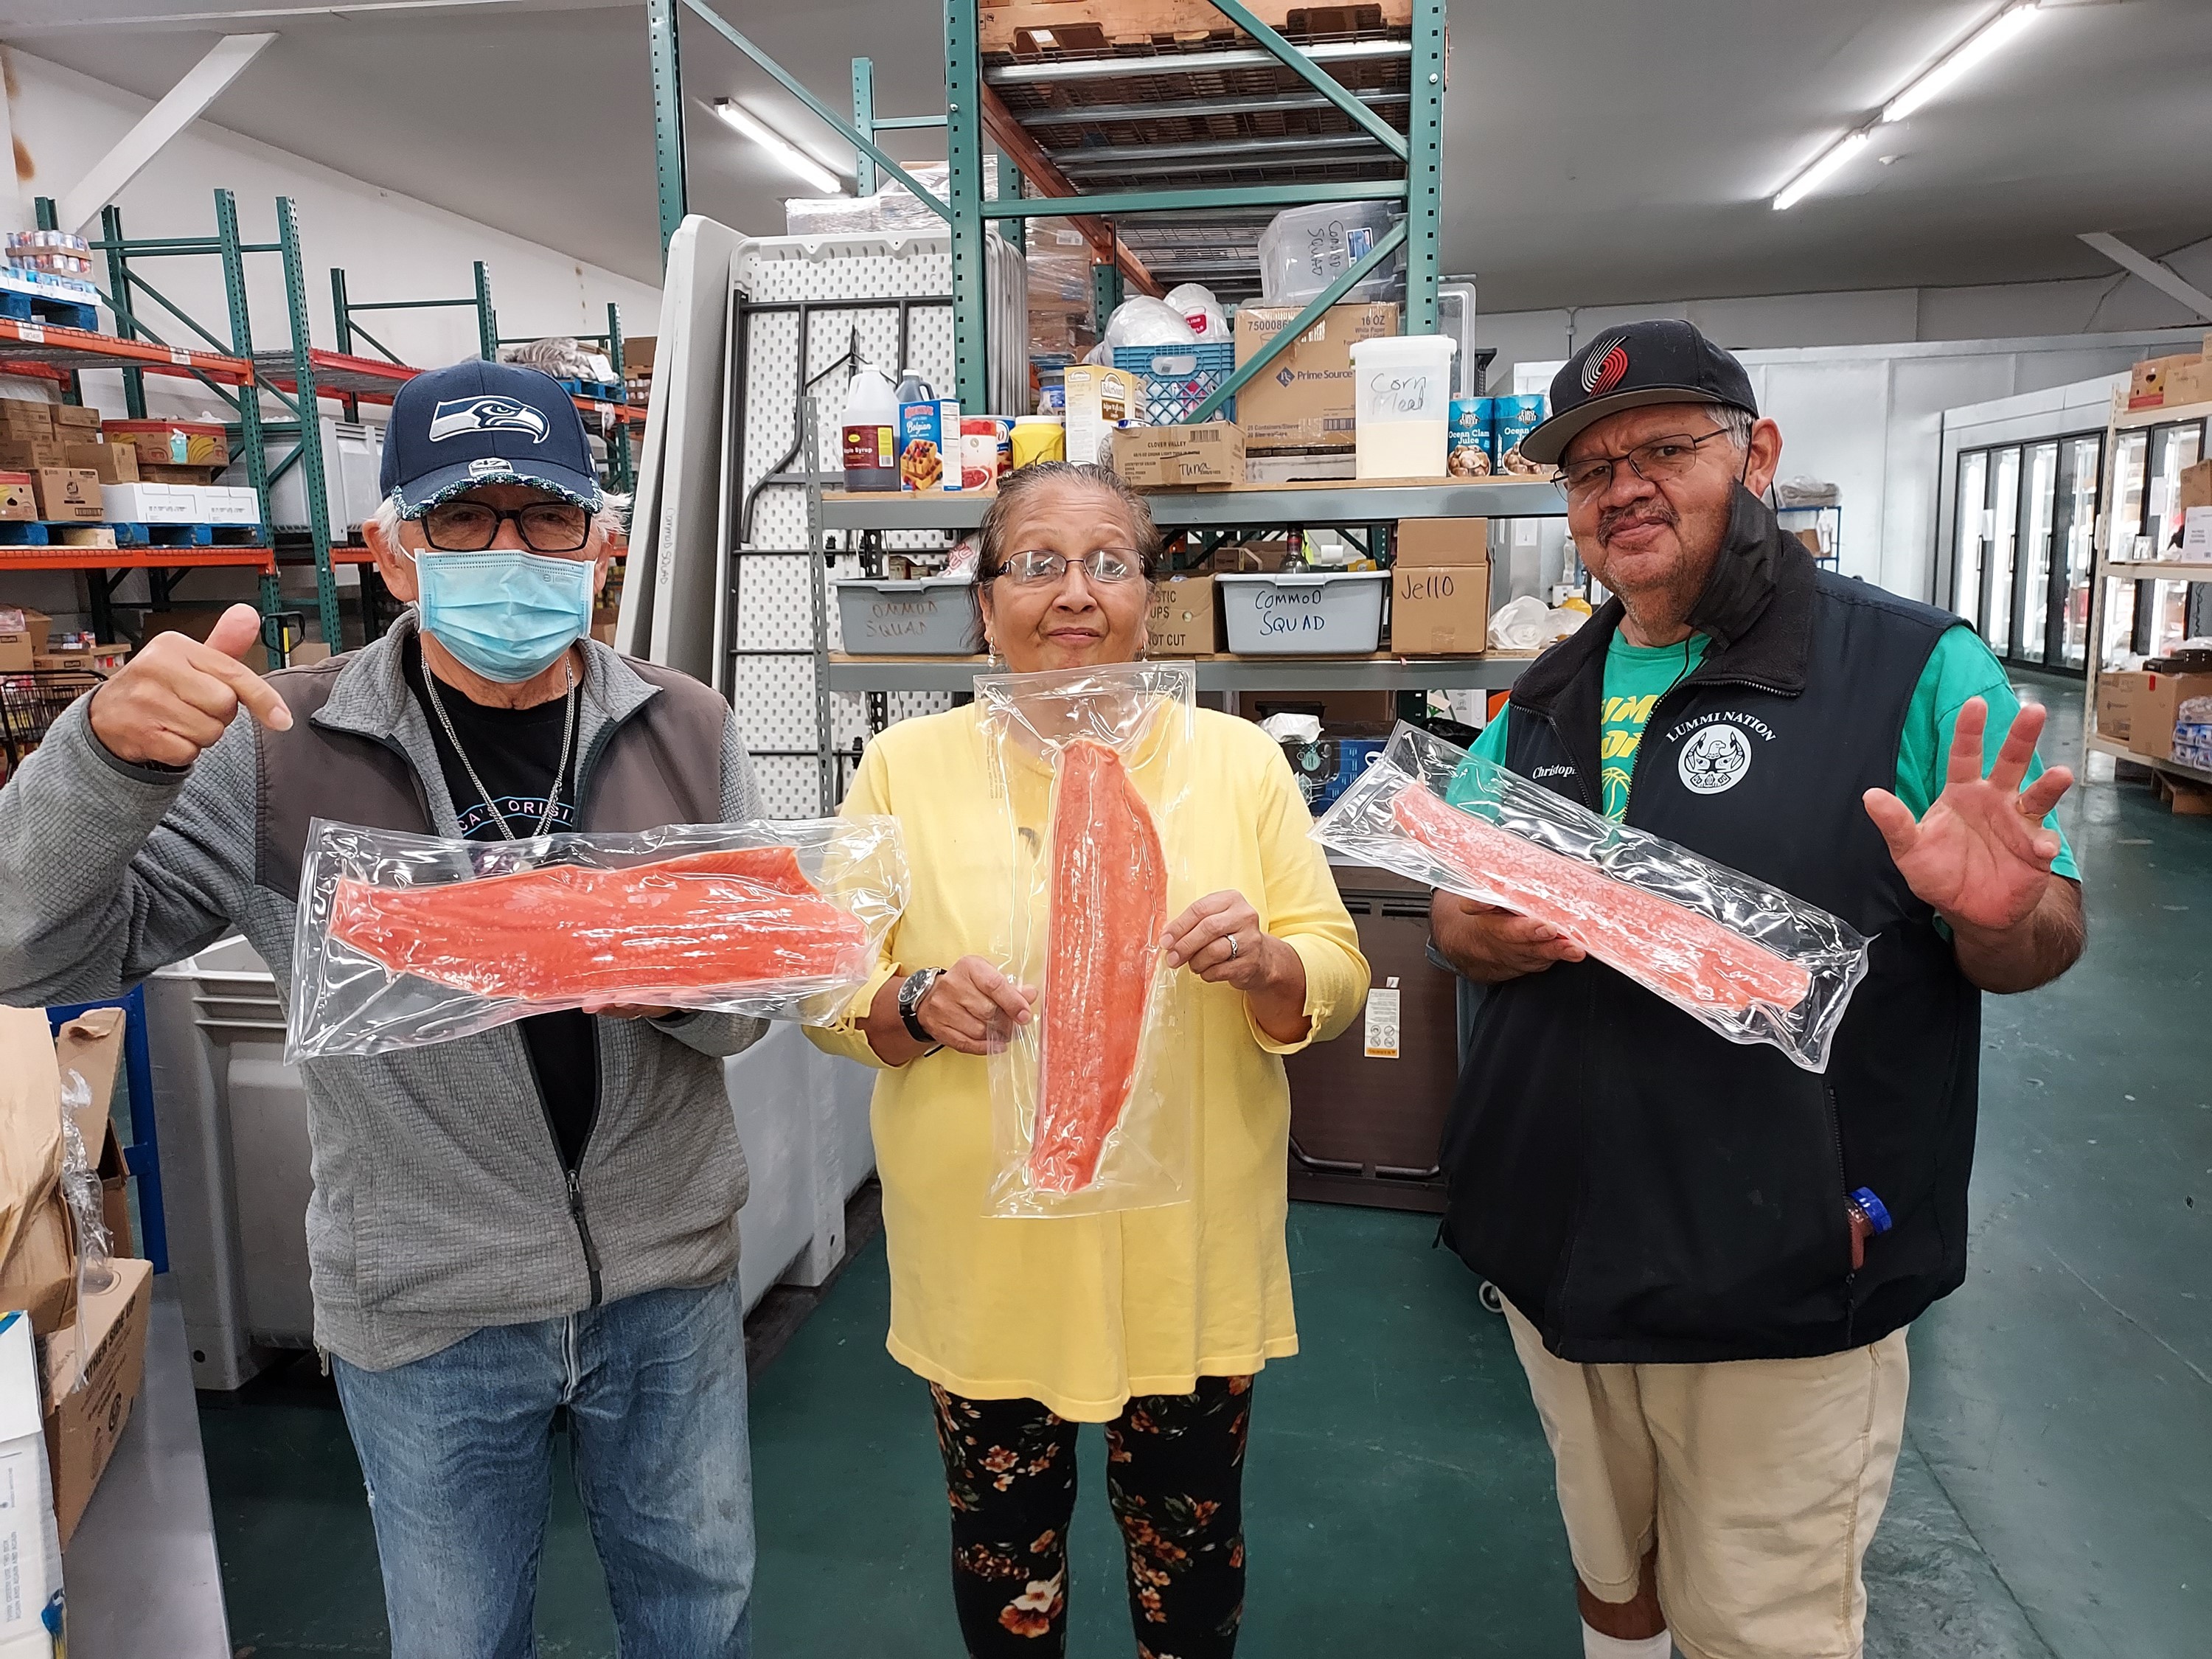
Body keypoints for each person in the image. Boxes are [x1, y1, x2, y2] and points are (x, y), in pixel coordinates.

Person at [0, 361, 766, 1658]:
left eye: (543, 515)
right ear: (392, 551)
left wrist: (681, 990)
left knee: (703, 1614)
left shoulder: (684, 726)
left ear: (604, 543)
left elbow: (749, 1007)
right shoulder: (274, 742)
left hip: (669, 1278)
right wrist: (102, 762)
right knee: (460, 1638)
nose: (509, 548)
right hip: (427, 1302)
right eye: (464, 518)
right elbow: (31, 949)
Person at [1428, 320, 2086, 1659]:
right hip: (1560, 1237)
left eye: (1665, 447)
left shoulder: (1906, 667)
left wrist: (2000, 916)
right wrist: (1478, 930)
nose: (1623, 486)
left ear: (1758, 453)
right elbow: (1453, 913)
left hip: (1782, 1255)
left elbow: (2039, 940)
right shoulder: (1543, 696)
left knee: (1763, 1622)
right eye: (1588, 466)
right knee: (1613, 1576)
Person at [807, 462, 1368, 1657]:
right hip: (989, 1254)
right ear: (986, 596)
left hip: (1187, 1251)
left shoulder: (1236, 763)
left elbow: (1336, 969)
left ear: (1149, 595)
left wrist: (1267, 963)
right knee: (1004, 1549)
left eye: (1110, 562)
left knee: (1192, 1547)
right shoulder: (908, 770)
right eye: (1039, 562)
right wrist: (915, 997)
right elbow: (827, 989)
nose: (1076, 592)